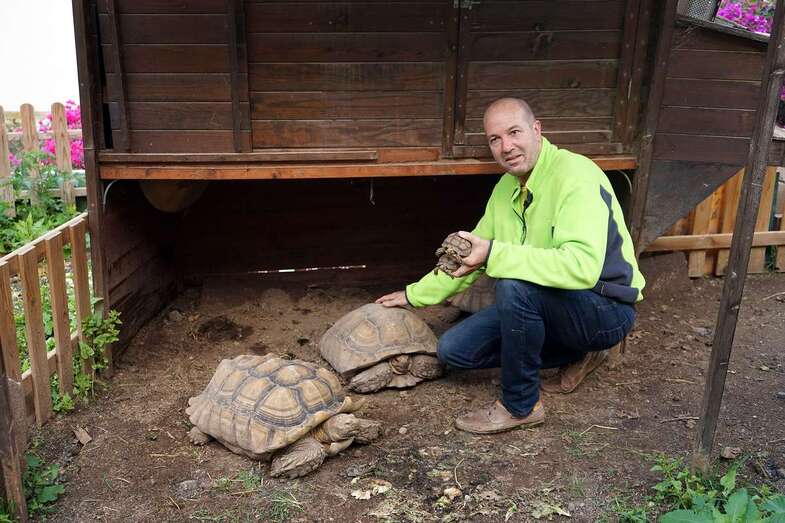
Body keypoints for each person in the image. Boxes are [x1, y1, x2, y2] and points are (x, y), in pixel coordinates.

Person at [376, 98, 645, 435]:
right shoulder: (506, 187)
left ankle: (521, 405)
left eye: (514, 132)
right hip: (547, 302)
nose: (506, 147)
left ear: (536, 130)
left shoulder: (576, 176)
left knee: (514, 286)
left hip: (603, 306)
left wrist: (493, 254)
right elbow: (473, 252)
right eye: (495, 139)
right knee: (454, 351)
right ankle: (576, 352)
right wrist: (413, 294)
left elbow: (581, 268)